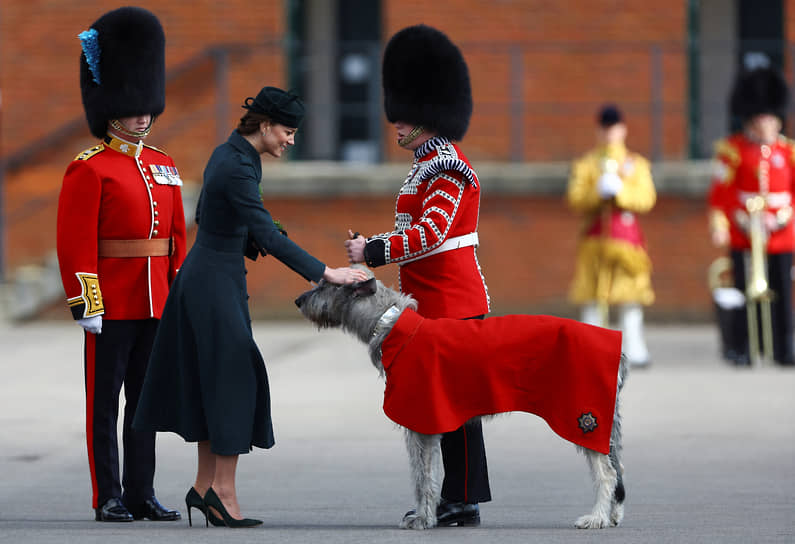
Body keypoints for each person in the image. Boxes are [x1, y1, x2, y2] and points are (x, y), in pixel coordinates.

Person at [132, 86, 368, 528]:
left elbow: (219, 216)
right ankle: (221, 491)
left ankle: (204, 487)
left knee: (214, 381)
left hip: (212, 277)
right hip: (212, 282)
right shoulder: (237, 164)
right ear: (263, 126)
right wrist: (325, 273)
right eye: (287, 131)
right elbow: (265, 230)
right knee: (234, 380)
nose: (290, 140)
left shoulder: (234, 156)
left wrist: (254, 235)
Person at [345, 24, 490, 527]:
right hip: (429, 298)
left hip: (452, 299)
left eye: (404, 116)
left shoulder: (448, 168)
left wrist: (373, 250)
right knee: (440, 401)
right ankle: (454, 496)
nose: (396, 125)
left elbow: (430, 233)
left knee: (460, 406)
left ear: (426, 114)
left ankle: (464, 499)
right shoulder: (424, 164)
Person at [56, 7, 185, 522]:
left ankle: (141, 492)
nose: (142, 115)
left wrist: (175, 294)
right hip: (110, 301)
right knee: (103, 405)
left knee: (145, 405)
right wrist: (86, 301)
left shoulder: (163, 164)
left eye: (145, 107)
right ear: (110, 106)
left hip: (155, 300)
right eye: (132, 107)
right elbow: (74, 242)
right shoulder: (88, 169)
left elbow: (175, 238)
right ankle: (106, 494)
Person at [707, 67, 795, 366]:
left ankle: (785, 346)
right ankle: (741, 347)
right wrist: (727, 224)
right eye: (761, 118)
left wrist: (781, 217)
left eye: (770, 118)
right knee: (742, 291)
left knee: (783, 290)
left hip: (781, 233)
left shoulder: (788, 152)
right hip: (744, 231)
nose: (766, 123)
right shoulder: (733, 152)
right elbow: (722, 195)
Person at [566, 104, 656, 367]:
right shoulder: (587, 165)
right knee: (592, 297)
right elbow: (575, 198)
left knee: (630, 297)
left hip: (627, 241)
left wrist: (620, 192)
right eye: (605, 129)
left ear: (623, 130)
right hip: (595, 239)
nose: (610, 134)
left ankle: (634, 349)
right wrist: (597, 193)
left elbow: (646, 198)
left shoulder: (635, 164)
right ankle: (590, 349)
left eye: (614, 128)